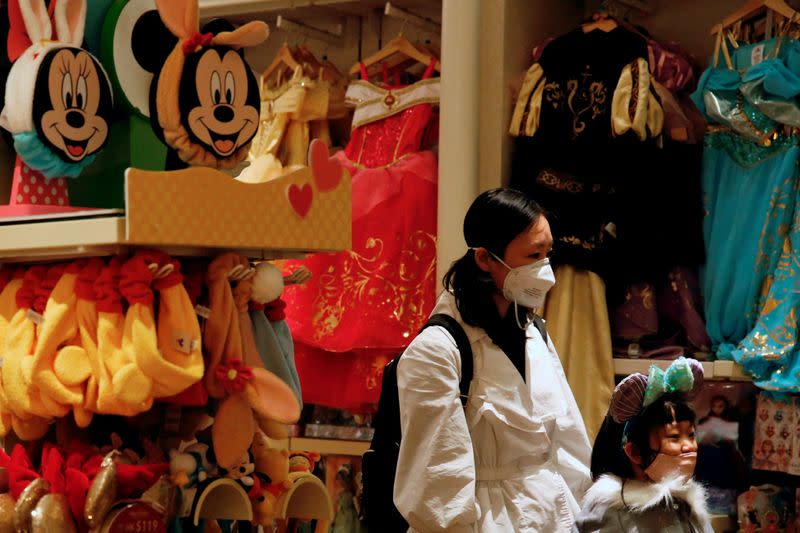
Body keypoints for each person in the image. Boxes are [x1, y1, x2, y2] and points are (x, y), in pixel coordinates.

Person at [393, 188, 592, 532]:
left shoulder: (534, 332)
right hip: (487, 520)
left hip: (555, 515)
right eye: (533, 255)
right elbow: (438, 480)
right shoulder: (438, 350)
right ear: (485, 259)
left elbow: (569, 441)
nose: (545, 268)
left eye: (548, 253)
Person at [575, 357, 713, 533]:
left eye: (691, 435)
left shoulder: (687, 504)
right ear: (635, 452)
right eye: (675, 436)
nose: (689, 446)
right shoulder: (611, 515)